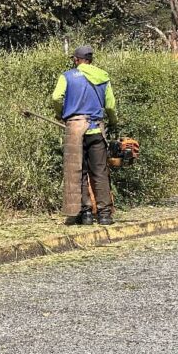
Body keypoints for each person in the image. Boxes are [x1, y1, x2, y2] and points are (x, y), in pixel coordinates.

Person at [51, 46, 118, 226]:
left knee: (76, 172)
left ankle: (85, 213)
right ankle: (105, 215)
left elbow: (56, 97)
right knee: (100, 172)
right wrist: (113, 121)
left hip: (75, 129)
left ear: (76, 59)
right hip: (96, 129)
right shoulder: (103, 76)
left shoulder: (67, 76)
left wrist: (62, 114)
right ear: (91, 60)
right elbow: (110, 106)